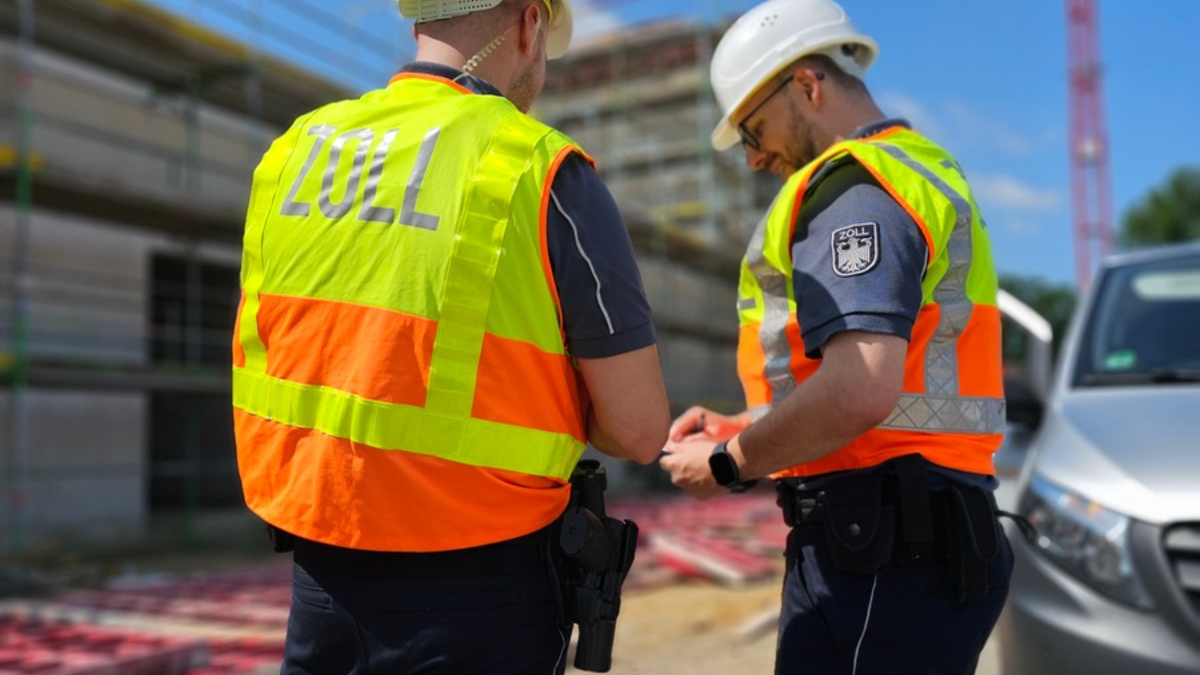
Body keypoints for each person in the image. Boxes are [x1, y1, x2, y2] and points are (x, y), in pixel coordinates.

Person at [231, 0, 669, 672]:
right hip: (481, 589)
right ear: (529, 22)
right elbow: (638, 429)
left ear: (418, 22)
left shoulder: (295, 150)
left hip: (319, 574)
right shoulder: (541, 169)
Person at [658, 0, 1013, 673]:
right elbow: (893, 386)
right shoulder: (918, 169)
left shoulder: (856, 187)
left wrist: (730, 460)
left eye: (754, 129)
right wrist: (752, 423)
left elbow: (861, 387)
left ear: (806, 85)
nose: (755, 158)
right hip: (916, 537)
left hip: (882, 552)